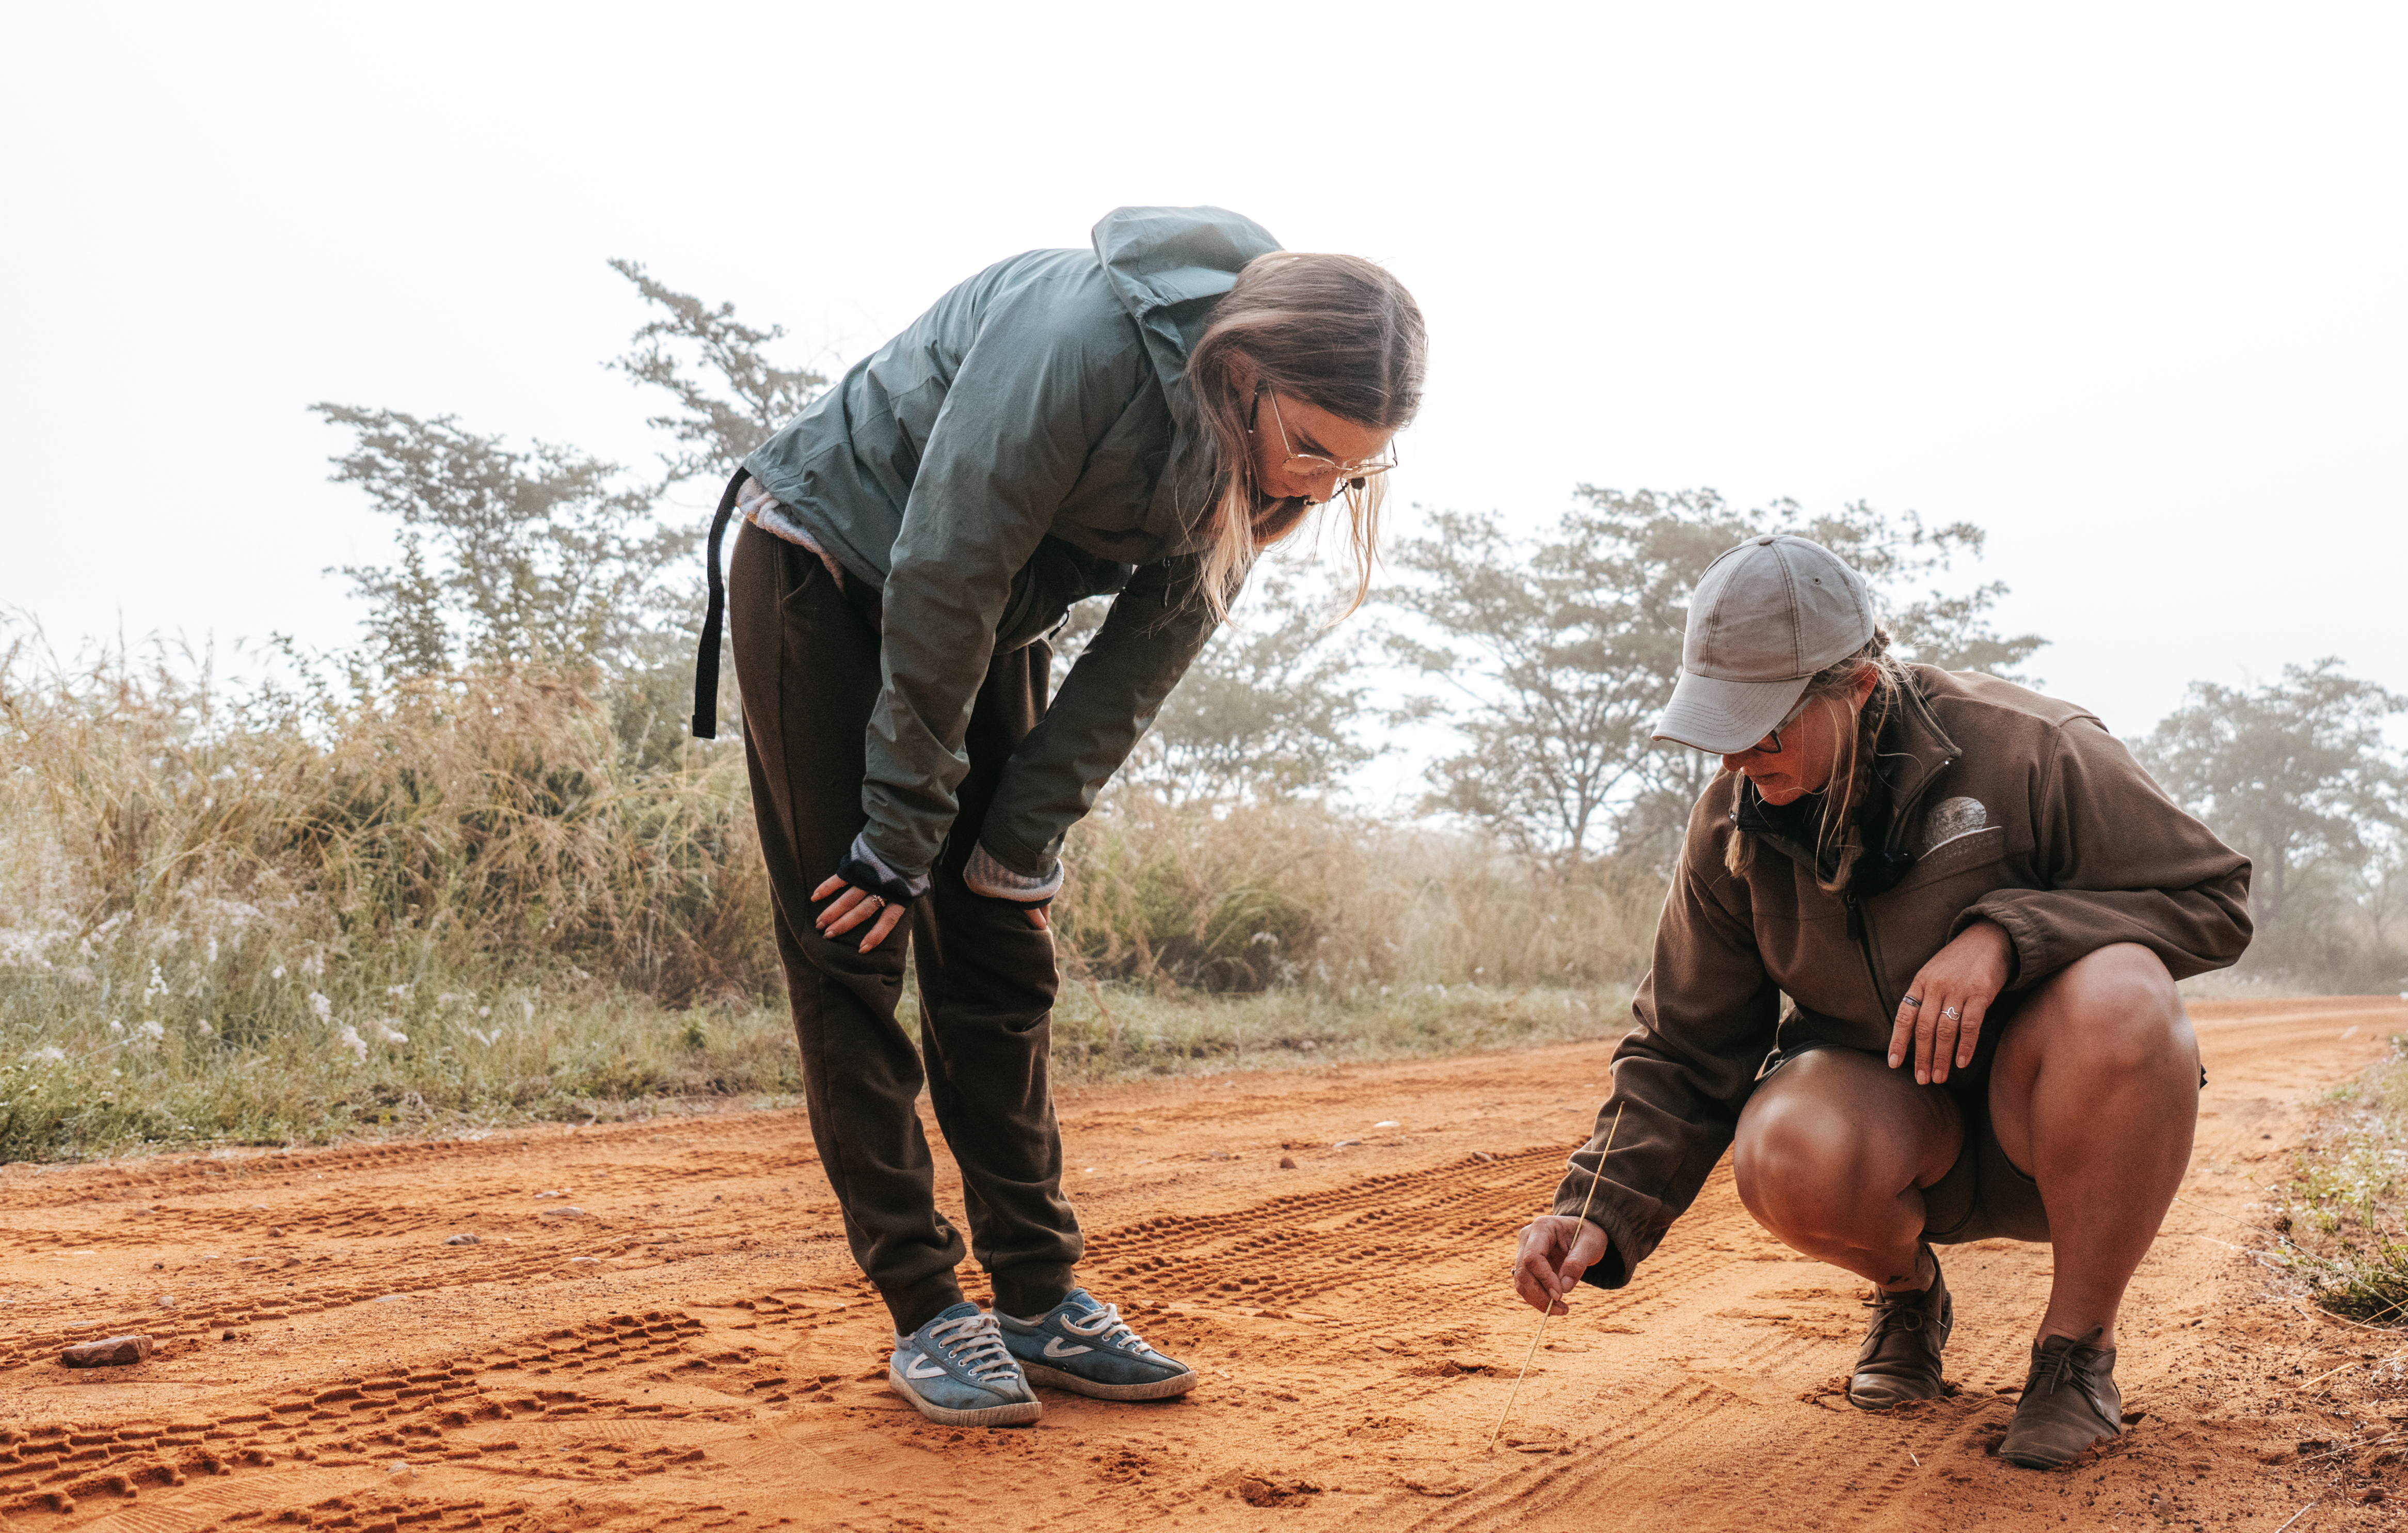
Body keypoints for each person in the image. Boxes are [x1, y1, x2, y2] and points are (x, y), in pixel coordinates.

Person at [704, 207, 1425, 1426]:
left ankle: (1039, 1296)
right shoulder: (1075, 338)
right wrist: (898, 832)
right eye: (1310, 447)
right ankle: (929, 1307)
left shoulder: (1263, 459)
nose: (1319, 485)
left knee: (997, 937)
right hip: (828, 569)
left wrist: (1017, 841)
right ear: (1240, 370)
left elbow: (1139, 664)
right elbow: (945, 564)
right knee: (855, 933)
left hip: (976, 617)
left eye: (1354, 468)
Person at [1508, 535, 2251, 1468]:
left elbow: (2215, 899)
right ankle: (1908, 1293)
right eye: (1721, 724)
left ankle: (2076, 1353)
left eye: (1766, 725)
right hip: (1897, 1135)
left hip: (2049, 1127)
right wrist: (1595, 1207)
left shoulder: (2035, 748)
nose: (1739, 754)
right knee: (1781, 1140)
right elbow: (1685, 1045)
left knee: (2124, 992)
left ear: (1856, 687)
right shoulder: (1731, 824)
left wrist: (2006, 937)